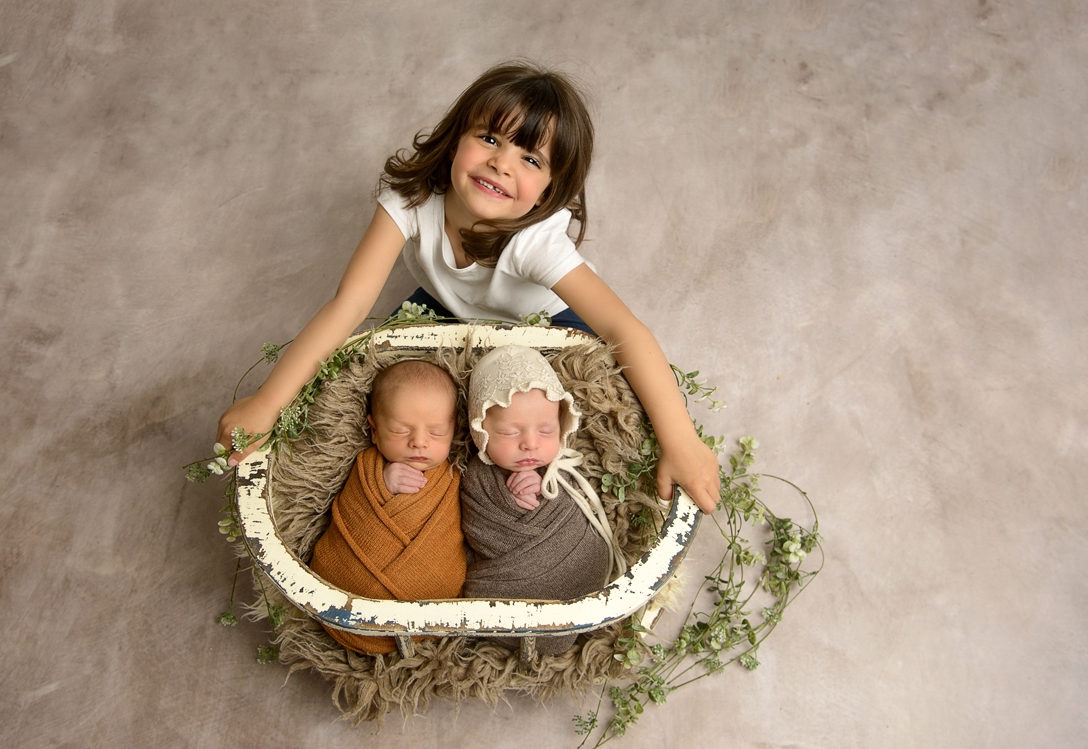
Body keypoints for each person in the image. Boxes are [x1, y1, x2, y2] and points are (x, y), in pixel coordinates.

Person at [217, 60, 721, 515]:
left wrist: (681, 439)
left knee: (553, 433)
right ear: (457, 137)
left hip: (539, 323)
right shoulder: (411, 200)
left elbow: (622, 326)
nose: (502, 163)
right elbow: (348, 303)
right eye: (491, 139)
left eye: (531, 160)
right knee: (386, 393)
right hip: (444, 308)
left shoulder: (534, 243)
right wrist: (268, 401)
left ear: (551, 190)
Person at [461, 345, 626, 654]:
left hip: (569, 560)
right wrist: (509, 503)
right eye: (510, 433)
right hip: (510, 578)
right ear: (480, 430)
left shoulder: (562, 467)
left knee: (591, 559)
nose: (531, 445)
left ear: (562, 426)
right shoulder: (477, 476)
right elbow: (475, 531)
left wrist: (545, 487)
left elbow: (583, 509)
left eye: (547, 430)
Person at [307, 360, 465, 655]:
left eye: (436, 432)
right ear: (375, 430)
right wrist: (382, 482)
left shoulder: (453, 477)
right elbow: (352, 508)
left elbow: (459, 529)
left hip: (426, 597)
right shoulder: (368, 465)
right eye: (401, 430)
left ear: (454, 431)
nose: (419, 442)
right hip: (346, 592)